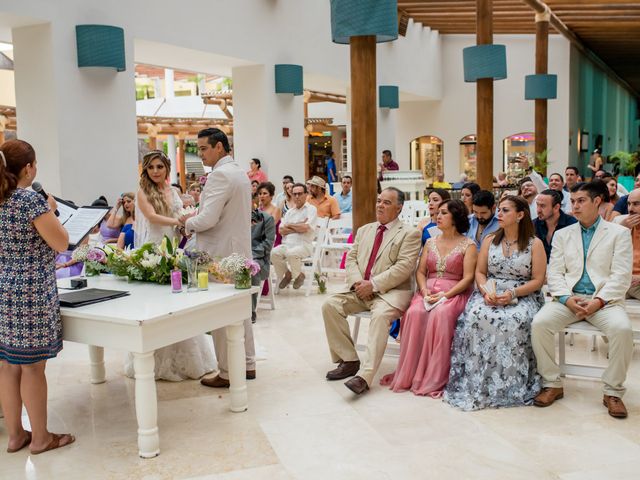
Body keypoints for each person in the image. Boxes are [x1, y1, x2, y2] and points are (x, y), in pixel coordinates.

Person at [531, 181, 633, 418]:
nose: (574, 206)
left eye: (580, 201)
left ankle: (613, 391)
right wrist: (566, 299)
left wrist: (599, 301)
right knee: (539, 324)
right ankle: (552, 383)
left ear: (597, 201)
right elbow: (554, 272)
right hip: (569, 298)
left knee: (622, 329)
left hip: (604, 301)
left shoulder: (619, 233)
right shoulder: (563, 234)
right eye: (573, 201)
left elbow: (621, 276)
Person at [0, 139, 75, 454]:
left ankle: (16, 435)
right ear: (28, 168)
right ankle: (41, 438)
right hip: (31, 292)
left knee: (7, 365)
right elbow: (60, 243)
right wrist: (52, 211)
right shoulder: (29, 201)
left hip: (3, 289)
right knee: (32, 367)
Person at [444, 195, 546, 411]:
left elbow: (538, 280)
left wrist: (512, 293)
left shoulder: (534, 244)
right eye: (499, 209)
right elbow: (480, 272)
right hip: (489, 291)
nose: (499, 214)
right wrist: (485, 291)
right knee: (475, 316)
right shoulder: (490, 240)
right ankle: (478, 379)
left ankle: (508, 383)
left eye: (505, 210)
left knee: (512, 319)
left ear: (520, 215)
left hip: (523, 294)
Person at [126, 150, 215, 381]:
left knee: (177, 301)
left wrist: (187, 221)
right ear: (145, 170)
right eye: (151, 167)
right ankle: (156, 359)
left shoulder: (173, 191)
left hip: (174, 249)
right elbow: (153, 217)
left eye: (160, 167)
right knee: (157, 303)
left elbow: (180, 218)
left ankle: (187, 357)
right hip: (154, 250)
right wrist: (179, 221)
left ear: (166, 168)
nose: (155, 171)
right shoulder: (142, 192)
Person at [323, 188, 421, 395]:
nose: (380, 205)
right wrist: (359, 283)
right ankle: (349, 360)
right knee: (329, 305)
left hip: (391, 293)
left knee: (379, 316)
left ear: (399, 208)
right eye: (379, 201)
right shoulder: (365, 230)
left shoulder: (410, 233)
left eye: (386, 202)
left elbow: (404, 267)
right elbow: (351, 258)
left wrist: (373, 285)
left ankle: (365, 376)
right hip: (360, 289)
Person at [180, 128, 256, 388]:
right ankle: (247, 364)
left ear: (220, 147)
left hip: (221, 254)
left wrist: (186, 222)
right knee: (240, 312)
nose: (199, 154)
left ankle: (226, 372)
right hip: (238, 251)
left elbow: (207, 219)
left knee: (222, 313)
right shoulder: (239, 173)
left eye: (203, 148)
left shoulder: (220, 175)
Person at [380, 200, 476, 396]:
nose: (437, 216)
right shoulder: (431, 242)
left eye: (443, 213)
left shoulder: (469, 245)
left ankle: (434, 376)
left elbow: (468, 278)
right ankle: (411, 372)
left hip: (454, 292)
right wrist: (423, 291)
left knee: (441, 314)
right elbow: (421, 272)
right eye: (437, 213)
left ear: (456, 217)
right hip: (428, 291)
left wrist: (446, 295)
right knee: (414, 312)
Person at [271, 183, 318, 290]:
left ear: (306, 194)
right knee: (273, 253)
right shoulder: (290, 212)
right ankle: (289, 274)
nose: (297, 196)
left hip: (304, 245)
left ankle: (297, 276)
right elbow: (281, 230)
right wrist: (299, 225)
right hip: (287, 244)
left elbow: (305, 228)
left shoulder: (311, 209)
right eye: (295, 194)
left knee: (291, 254)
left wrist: (290, 225)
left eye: (300, 194)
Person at [534, 189, 577, 262]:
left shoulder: (572, 225)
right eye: (537, 205)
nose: (538, 210)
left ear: (556, 207)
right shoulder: (534, 224)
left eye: (542, 206)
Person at [612, 189, 640, 299]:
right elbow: (603, 255)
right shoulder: (619, 222)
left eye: (636, 204)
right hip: (622, 280)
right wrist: (621, 229)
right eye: (628, 204)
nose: (630, 209)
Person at [250, 208, 275, 323]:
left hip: (259, 259)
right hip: (238, 254)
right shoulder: (235, 217)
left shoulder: (267, 219)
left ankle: (250, 310)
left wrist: (250, 255)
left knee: (250, 268)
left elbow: (267, 244)